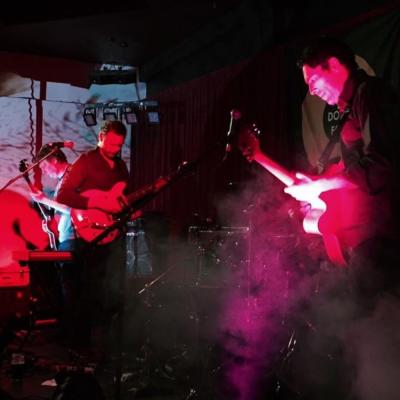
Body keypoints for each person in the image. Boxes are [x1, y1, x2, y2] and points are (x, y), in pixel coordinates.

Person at [238, 37, 400, 400]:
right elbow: (328, 181)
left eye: (313, 80)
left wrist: (324, 184)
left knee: (373, 337)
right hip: (366, 244)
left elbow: (381, 166)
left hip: (383, 240)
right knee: (361, 337)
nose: (312, 91)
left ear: (335, 65)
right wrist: (262, 158)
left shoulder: (371, 96)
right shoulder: (350, 112)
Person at [55, 120, 130, 354]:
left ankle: (107, 347)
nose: (115, 149)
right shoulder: (86, 161)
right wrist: (96, 203)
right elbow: (63, 195)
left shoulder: (121, 167)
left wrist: (126, 207)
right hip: (86, 235)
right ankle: (79, 346)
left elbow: (121, 198)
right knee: (85, 292)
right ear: (100, 137)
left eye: (119, 145)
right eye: (111, 144)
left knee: (110, 291)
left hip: (112, 234)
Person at [31, 144, 78, 347]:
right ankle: (66, 333)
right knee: (63, 289)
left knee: (70, 290)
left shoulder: (72, 176)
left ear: (55, 160)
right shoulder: (62, 181)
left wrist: (44, 200)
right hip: (66, 238)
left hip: (73, 239)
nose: (44, 171)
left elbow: (71, 209)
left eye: (44, 166)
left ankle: (73, 338)